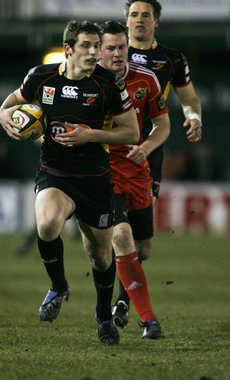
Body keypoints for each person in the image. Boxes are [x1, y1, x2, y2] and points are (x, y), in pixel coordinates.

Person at [0, 20, 140, 346]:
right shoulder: (40, 77)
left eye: (96, 46)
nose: (94, 52)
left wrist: (91, 135)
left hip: (95, 180)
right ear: (68, 50)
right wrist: (3, 116)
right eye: (87, 46)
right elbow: (5, 108)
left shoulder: (109, 84)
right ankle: (59, 286)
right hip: (55, 174)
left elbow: (131, 131)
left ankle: (103, 315)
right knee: (47, 225)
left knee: (101, 257)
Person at [112, 0, 203, 325]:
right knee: (117, 230)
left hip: (148, 149)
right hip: (109, 151)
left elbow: (189, 98)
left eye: (146, 15)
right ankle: (121, 303)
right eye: (134, 14)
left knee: (143, 244)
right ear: (126, 21)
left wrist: (194, 118)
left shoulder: (171, 59)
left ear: (156, 21)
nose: (139, 19)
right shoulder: (112, 52)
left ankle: (120, 288)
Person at [99, 21, 170, 338]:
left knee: (143, 249)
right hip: (101, 174)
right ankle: (150, 320)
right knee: (122, 238)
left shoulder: (146, 79)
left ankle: (123, 301)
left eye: (122, 47)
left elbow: (163, 125)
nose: (117, 53)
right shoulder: (87, 81)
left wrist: (146, 148)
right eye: (110, 48)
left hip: (137, 172)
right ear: (99, 50)